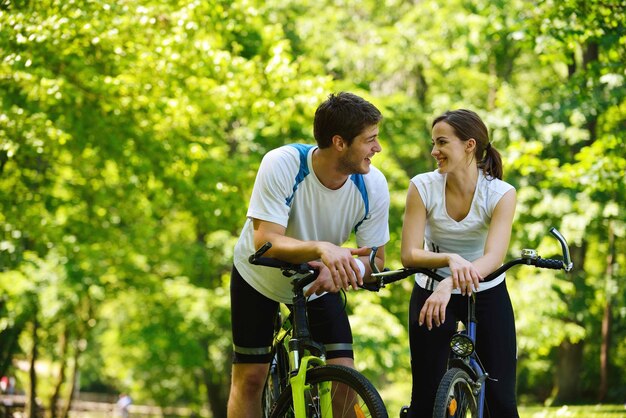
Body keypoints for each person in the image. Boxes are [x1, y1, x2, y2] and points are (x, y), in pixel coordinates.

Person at [227, 92, 390, 418]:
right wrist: (323, 248)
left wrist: (346, 267)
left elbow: (376, 260)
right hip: (258, 275)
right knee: (250, 379)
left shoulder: (372, 185)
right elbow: (266, 242)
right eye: (370, 140)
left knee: (346, 375)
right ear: (339, 143)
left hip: (316, 280)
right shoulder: (282, 163)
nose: (377, 148)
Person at [400, 109, 518, 417]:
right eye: (433, 143)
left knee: (502, 400)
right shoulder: (422, 187)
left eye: (441, 143)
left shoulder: (500, 193)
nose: (433, 151)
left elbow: (494, 257)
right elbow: (409, 253)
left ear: (470, 145)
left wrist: (451, 281)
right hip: (430, 291)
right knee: (425, 400)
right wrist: (450, 260)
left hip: (486, 291)